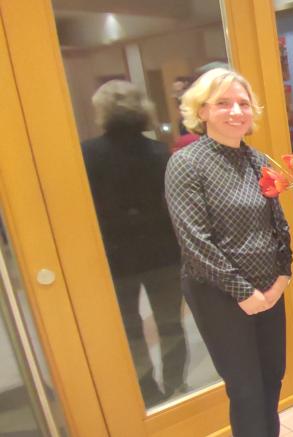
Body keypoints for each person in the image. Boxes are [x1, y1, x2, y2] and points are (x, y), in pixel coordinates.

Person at [164, 68, 293, 437]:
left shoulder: (258, 160)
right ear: (202, 111)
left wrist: (283, 276)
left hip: (270, 288)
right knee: (246, 388)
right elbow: (195, 242)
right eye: (223, 103)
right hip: (218, 294)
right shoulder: (187, 163)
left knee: (272, 377)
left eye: (243, 103)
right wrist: (244, 293)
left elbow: (279, 225)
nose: (236, 111)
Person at [81, 80, 187, 406]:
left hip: (115, 256)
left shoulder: (86, 154)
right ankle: (175, 382)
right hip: (163, 252)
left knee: (129, 327)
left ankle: (146, 389)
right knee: (170, 322)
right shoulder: (159, 152)